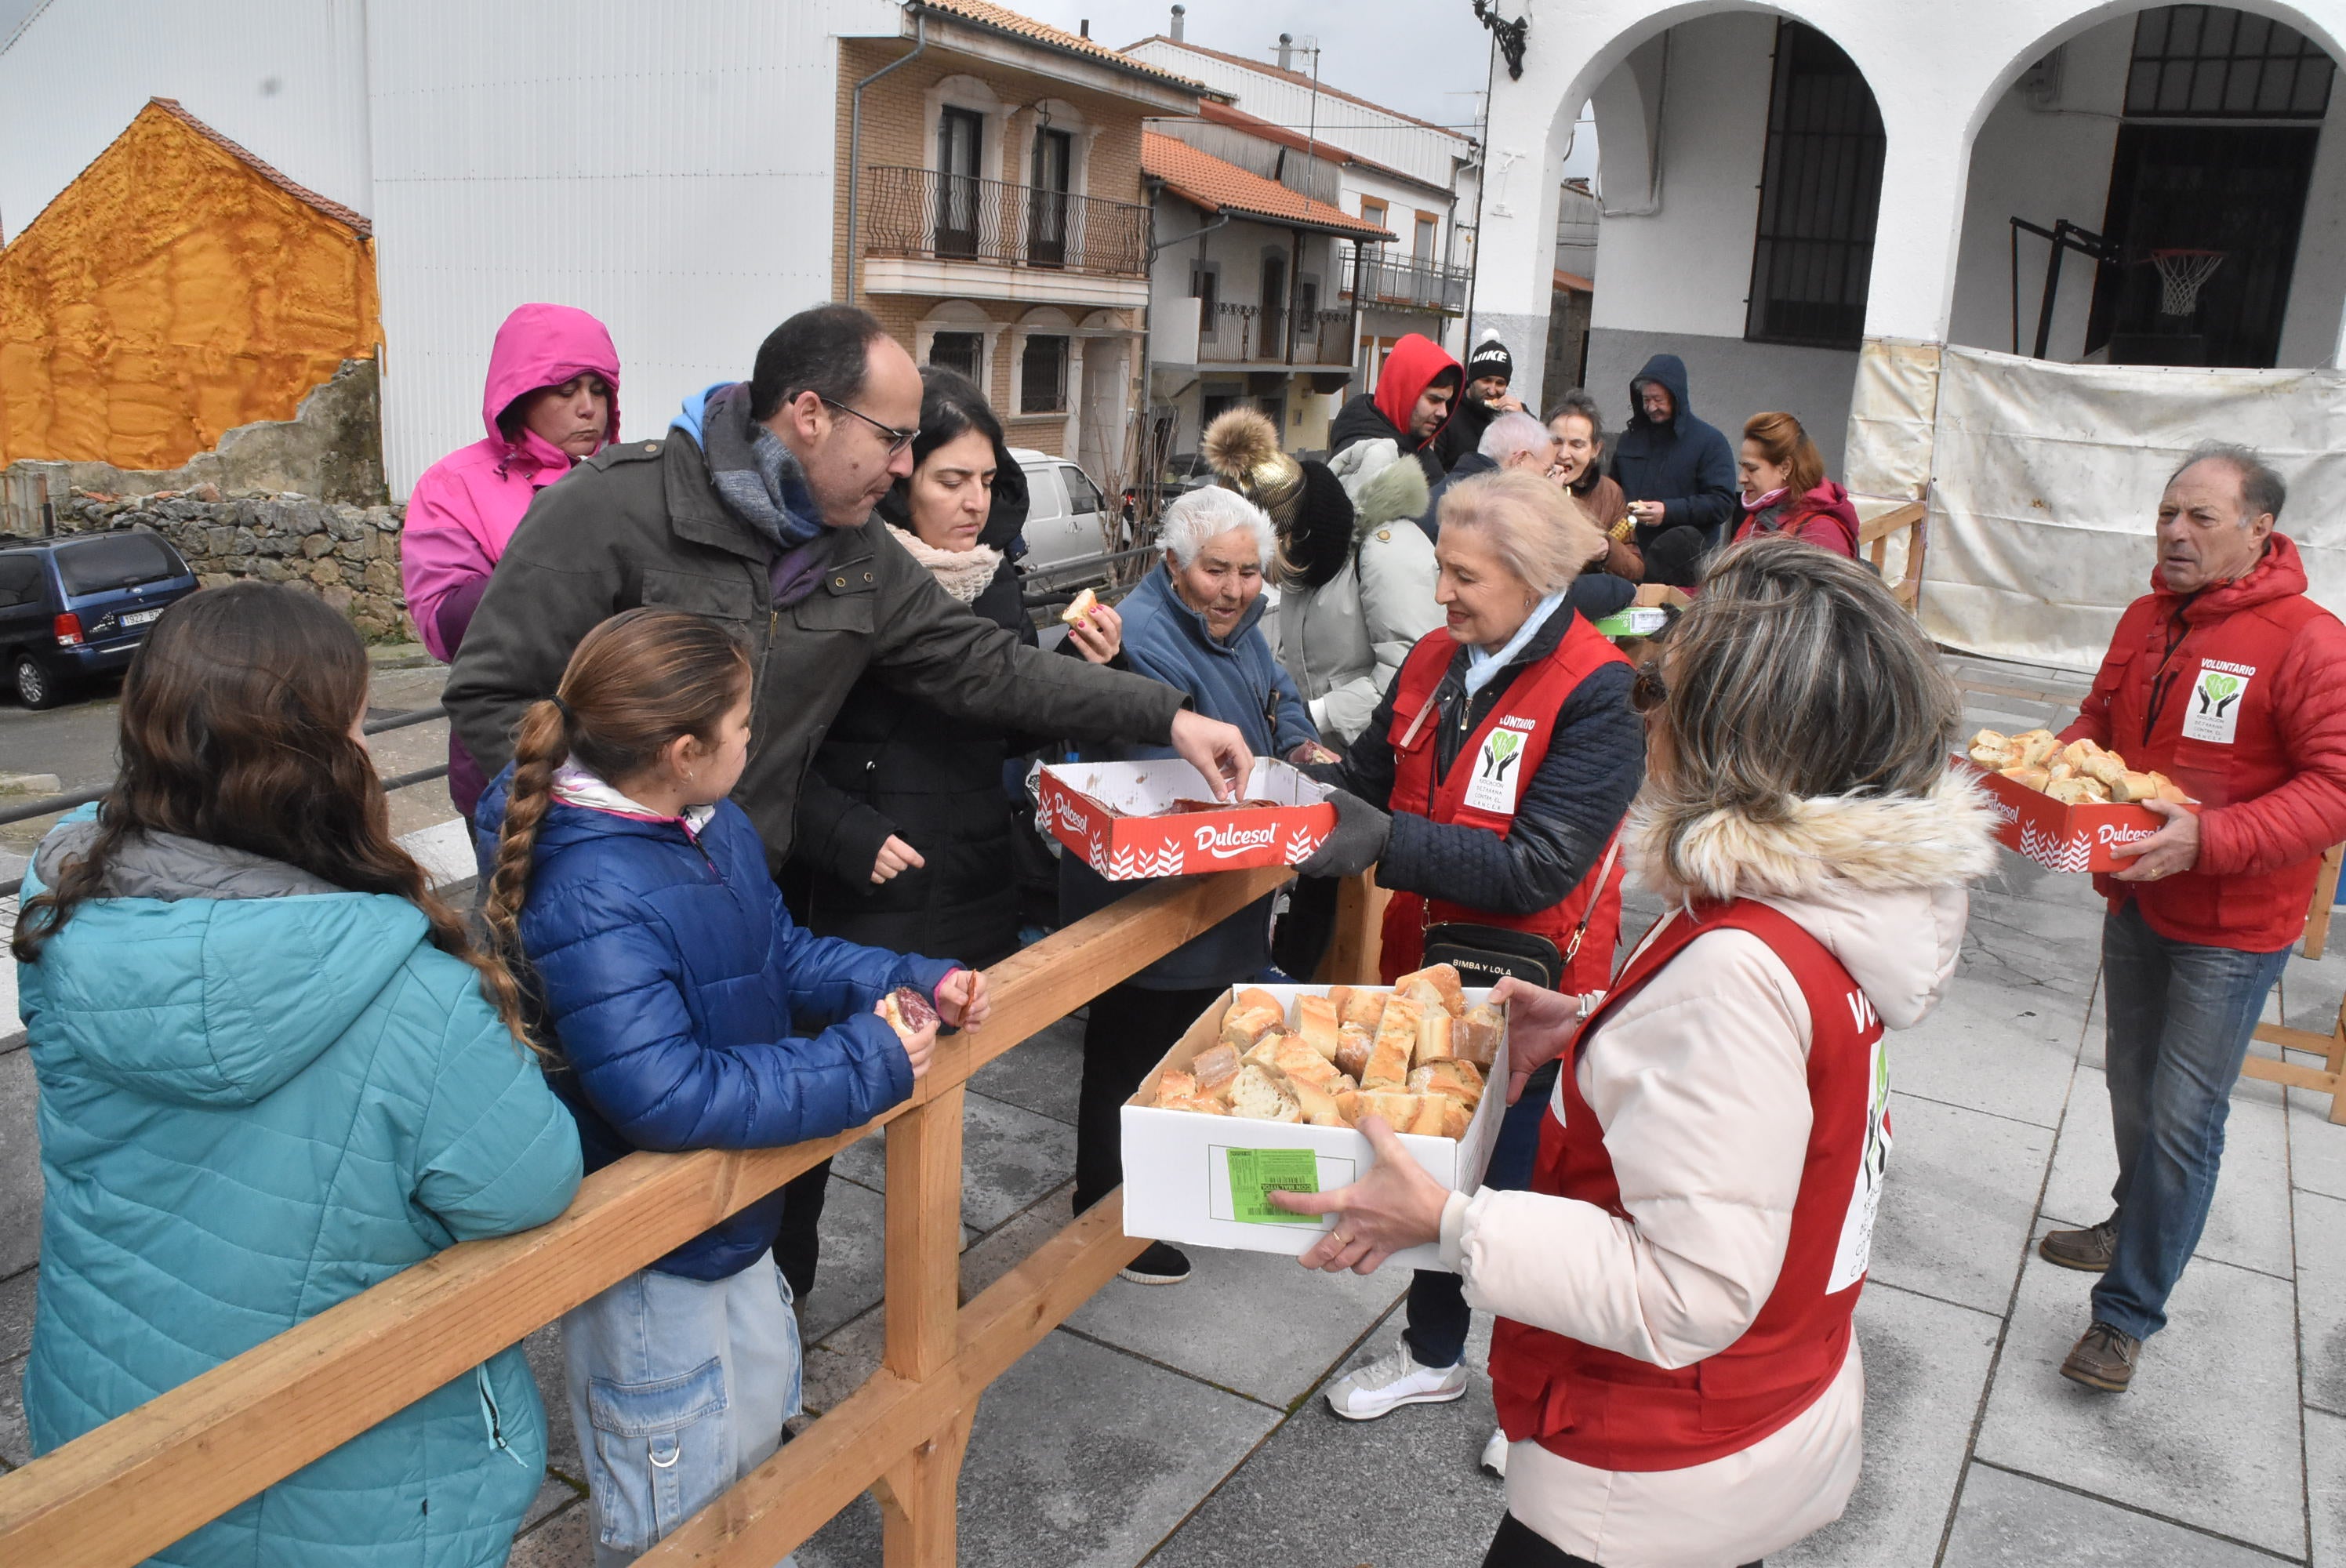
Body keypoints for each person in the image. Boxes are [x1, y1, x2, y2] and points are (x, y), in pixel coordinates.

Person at [1279, 538, 1996, 1567]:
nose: (1643, 709)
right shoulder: (1821, 913)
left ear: (1735, 735)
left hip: (1646, 1474)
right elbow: (1774, 1110)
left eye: (1666, 686)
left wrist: (1447, 1221)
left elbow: (1689, 1290)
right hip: (1750, 1420)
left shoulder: (1739, 964)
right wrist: (1593, 1029)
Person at [13, 583, 583, 1568]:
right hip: (344, 1478)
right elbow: (526, 1186)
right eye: (360, 728)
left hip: (106, 1422)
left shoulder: (62, 917)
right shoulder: (408, 989)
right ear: (317, 762)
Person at [477, 607, 986, 1568]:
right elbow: (663, 1093)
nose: (756, 737)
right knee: (671, 1474)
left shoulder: (708, 824)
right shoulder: (591, 890)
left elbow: (777, 952)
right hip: (652, 1249)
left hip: (737, 1205)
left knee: (753, 1419)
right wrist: (865, 1062)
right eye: (745, 723)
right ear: (680, 749)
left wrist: (905, 977)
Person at [442, 304, 1254, 884]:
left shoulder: (855, 546)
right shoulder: (605, 509)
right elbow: (490, 695)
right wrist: (604, 834)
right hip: (593, 900)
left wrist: (1165, 713)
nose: (904, 468)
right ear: (809, 415)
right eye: (892, 439)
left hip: (744, 893)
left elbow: (983, 663)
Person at [1294, 470, 1644, 1454]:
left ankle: (1533, 1401)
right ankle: (1433, 1355)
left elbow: (1541, 863)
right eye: (1443, 570)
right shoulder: (1436, 664)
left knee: (1531, 1193)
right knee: (1438, 1164)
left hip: (1540, 991)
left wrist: (1380, 841)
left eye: (1463, 574)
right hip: (1431, 974)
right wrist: (1292, 772)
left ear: (1533, 579)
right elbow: (1366, 780)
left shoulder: (1596, 692)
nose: (1441, 592)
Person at [776, 368, 1117, 1305]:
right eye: (948, 480)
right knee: (821, 1117)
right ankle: (780, 1307)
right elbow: (768, 753)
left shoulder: (995, 577)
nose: (972, 503)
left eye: (983, 480)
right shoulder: (833, 574)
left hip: (962, 882)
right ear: (898, 477)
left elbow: (999, 727)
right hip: (856, 897)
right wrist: (843, 832)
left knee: (934, 1114)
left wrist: (1080, 673)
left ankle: (925, 1316)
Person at [2038, 442, 2346, 1393]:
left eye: (2200, 517)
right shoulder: (2144, 617)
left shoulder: (2308, 639)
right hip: (2135, 895)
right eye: (2168, 512)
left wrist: (2208, 841)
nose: (2173, 531)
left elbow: (2334, 785)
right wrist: (2043, 773)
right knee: (2130, 1085)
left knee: (2181, 1115)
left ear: (2260, 530)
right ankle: (2134, 1219)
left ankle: (2125, 1314)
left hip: (2232, 920)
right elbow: (2099, 722)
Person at [1059, 487, 1323, 1285]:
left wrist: (1305, 750)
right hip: (1153, 883)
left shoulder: (1239, 630)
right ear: (1172, 564)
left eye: (1249, 572)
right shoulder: (1136, 633)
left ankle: (1161, 1194)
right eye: (1215, 570)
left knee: (1192, 1045)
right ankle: (1106, 1210)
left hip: (1225, 875)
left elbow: (1281, 696)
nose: (1234, 589)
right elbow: (1143, 740)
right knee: (1130, 1048)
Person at [401, 303, 622, 820]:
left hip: (618, 754)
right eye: (566, 391)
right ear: (519, 394)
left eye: (599, 389)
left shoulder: (622, 482)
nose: (588, 407)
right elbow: (443, 624)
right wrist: (553, 557)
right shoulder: (454, 484)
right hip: (508, 756)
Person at [1202, 407, 1439, 751]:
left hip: (1382, 757)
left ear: (1286, 537)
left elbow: (1415, 673)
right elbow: (1296, 657)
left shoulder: (1385, 552)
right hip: (1326, 753)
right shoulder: (1312, 559)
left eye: (1256, 564)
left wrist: (1316, 714)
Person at [1608, 353, 1738, 586]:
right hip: (1629, 561)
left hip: (1684, 569)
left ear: (1677, 396)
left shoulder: (1710, 442)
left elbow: (1722, 503)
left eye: (1658, 399)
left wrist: (1668, 511)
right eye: (1645, 400)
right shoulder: (1629, 440)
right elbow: (1612, 492)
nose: (1651, 407)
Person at [1328, 332, 1462, 486]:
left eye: (1447, 402)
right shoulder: (1367, 459)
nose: (1443, 413)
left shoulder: (1418, 449)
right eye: (1434, 400)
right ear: (1404, 393)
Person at [1732, 411, 1861, 557]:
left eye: (1752, 469)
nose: (1741, 478)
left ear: (1785, 467)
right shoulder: (1761, 517)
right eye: (1742, 467)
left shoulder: (1821, 533)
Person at [1546, 390, 1639, 581]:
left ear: (1595, 450)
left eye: (1576, 445)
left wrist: (1608, 550)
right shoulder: (1524, 484)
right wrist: (1550, 500)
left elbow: (1636, 571)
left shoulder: (1609, 492)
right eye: (1556, 441)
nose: (1563, 454)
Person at [1433, 335, 1527, 473]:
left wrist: (1523, 419)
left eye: (1500, 383)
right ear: (1472, 380)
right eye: (1486, 380)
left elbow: (1541, 450)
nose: (1492, 390)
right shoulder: (1448, 411)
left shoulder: (1515, 411)